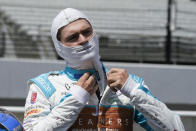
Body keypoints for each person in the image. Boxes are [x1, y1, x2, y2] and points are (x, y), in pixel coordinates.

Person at [23, 8, 185, 131]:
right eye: (73, 37)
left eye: (87, 32)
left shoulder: (128, 84)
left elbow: (176, 128)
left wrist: (134, 91)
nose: (83, 40)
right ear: (60, 47)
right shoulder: (44, 86)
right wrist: (75, 99)